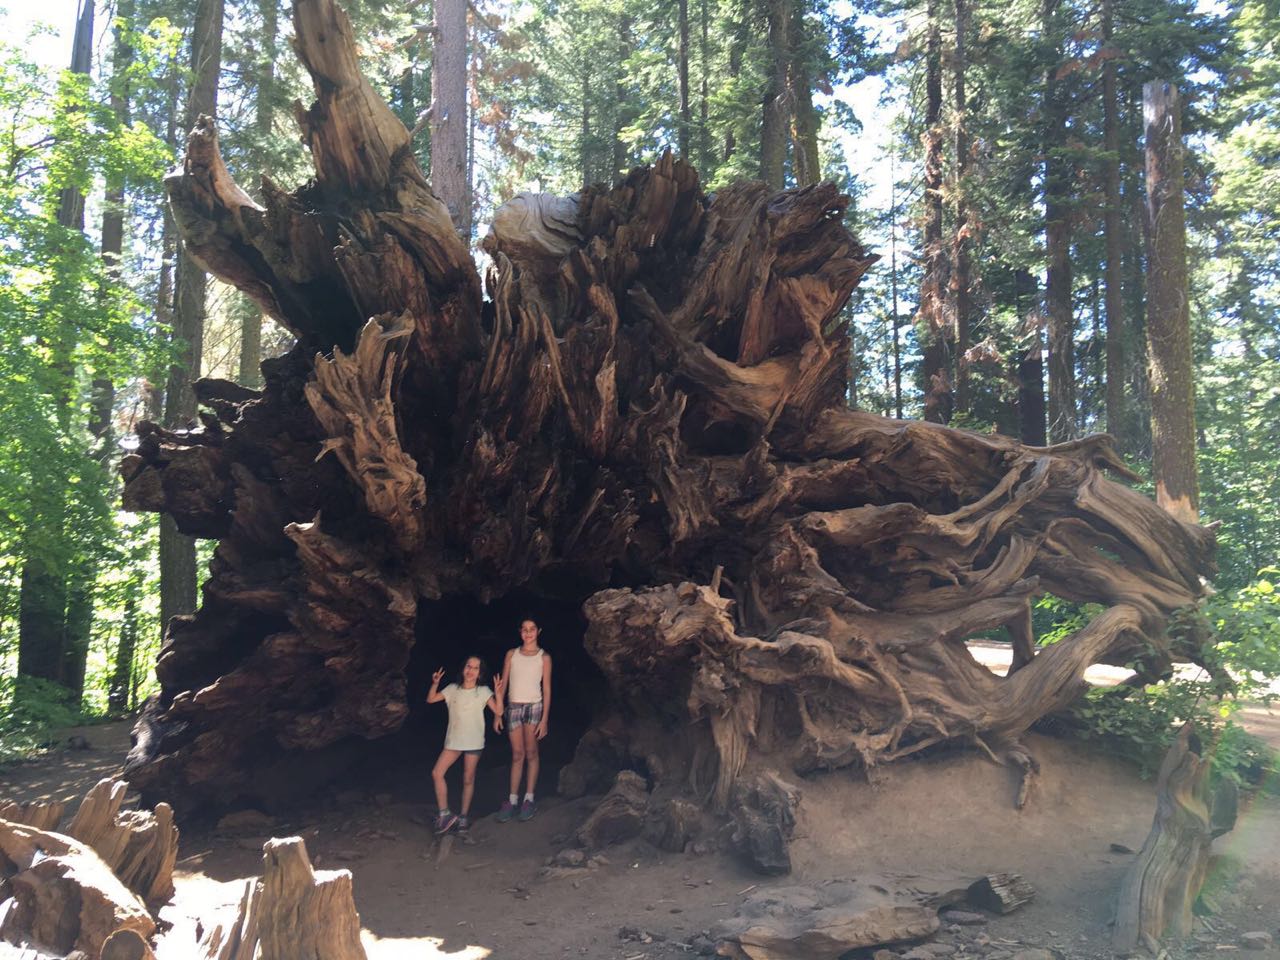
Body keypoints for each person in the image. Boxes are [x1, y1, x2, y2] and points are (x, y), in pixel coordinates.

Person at [426, 656, 504, 835]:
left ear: (480, 673)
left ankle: (463, 816)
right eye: (469, 666)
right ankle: (445, 814)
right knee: (437, 773)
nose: (471, 671)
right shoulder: (453, 689)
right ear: (463, 669)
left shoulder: (483, 691)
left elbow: (499, 711)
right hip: (454, 741)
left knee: (468, 779)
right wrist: (435, 683)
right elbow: (431, 699)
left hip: (474, 741)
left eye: (476, 668)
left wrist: (498, 693)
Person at [494, 618, 552, 822]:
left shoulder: (544, 657)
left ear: (538, 631)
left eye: (532, 629)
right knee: (517, 754)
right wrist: (498, 713)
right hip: (514, 707)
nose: (528, 633)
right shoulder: (512, 654)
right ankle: (512, 800)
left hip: (534, 706)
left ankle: (529, 798)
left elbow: (546, 689)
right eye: (525, 630)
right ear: (520, 632)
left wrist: (544, 719)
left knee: (531, 752)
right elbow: (503, 683)